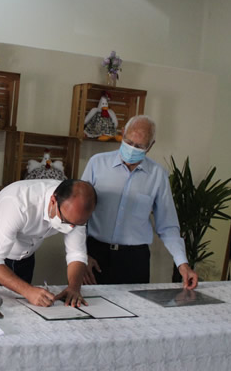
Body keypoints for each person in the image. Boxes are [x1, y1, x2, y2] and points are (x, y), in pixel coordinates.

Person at [81, 115, 198, 289]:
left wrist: (183, 264)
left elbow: (168, 226)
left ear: (150, 146)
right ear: (123, 133)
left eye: (139, 146)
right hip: (95, 254)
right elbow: (78, 214)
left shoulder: (158, 175)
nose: (132, 149)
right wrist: (81, 255)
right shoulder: (97, 163)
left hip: (134, 260)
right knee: (88, 303)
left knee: (136, 306)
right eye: (129, 142)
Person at [0, 179, 97, 307]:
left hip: (25, 256)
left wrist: (74, 288)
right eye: (66, 221)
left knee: (22, 309)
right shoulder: (18, 204)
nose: (71, 228)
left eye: (77, 224)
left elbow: (76, 253)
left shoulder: (75, 211)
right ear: (53, 201)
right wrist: (28, 291)